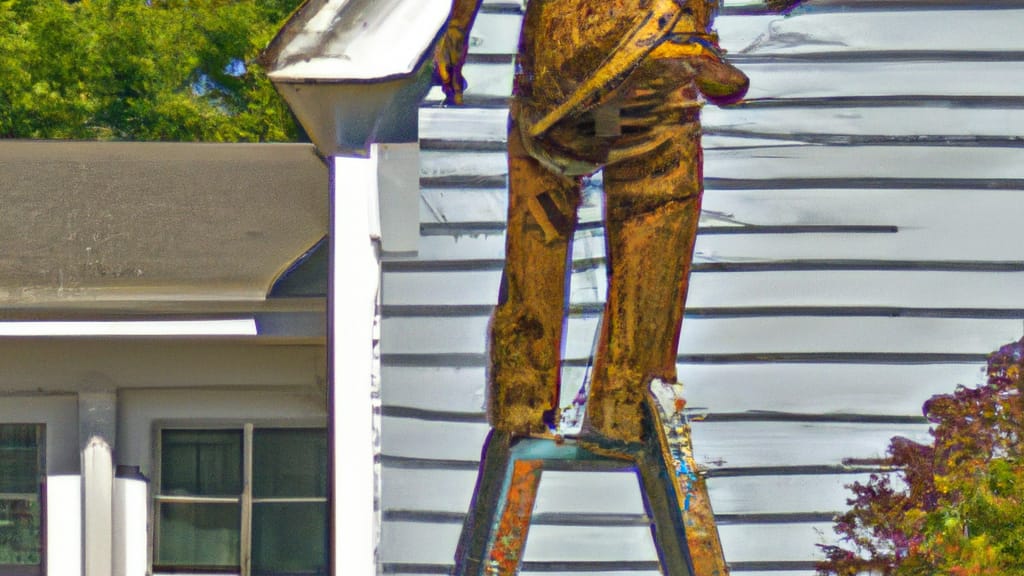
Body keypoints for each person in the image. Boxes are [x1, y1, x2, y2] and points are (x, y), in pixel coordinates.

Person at [435, 0, 751, 445]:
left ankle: (521, 402)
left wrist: (455, 32)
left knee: (538, 226)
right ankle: (627, 406)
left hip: (561, 87)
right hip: (660, 65)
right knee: (653, 211)